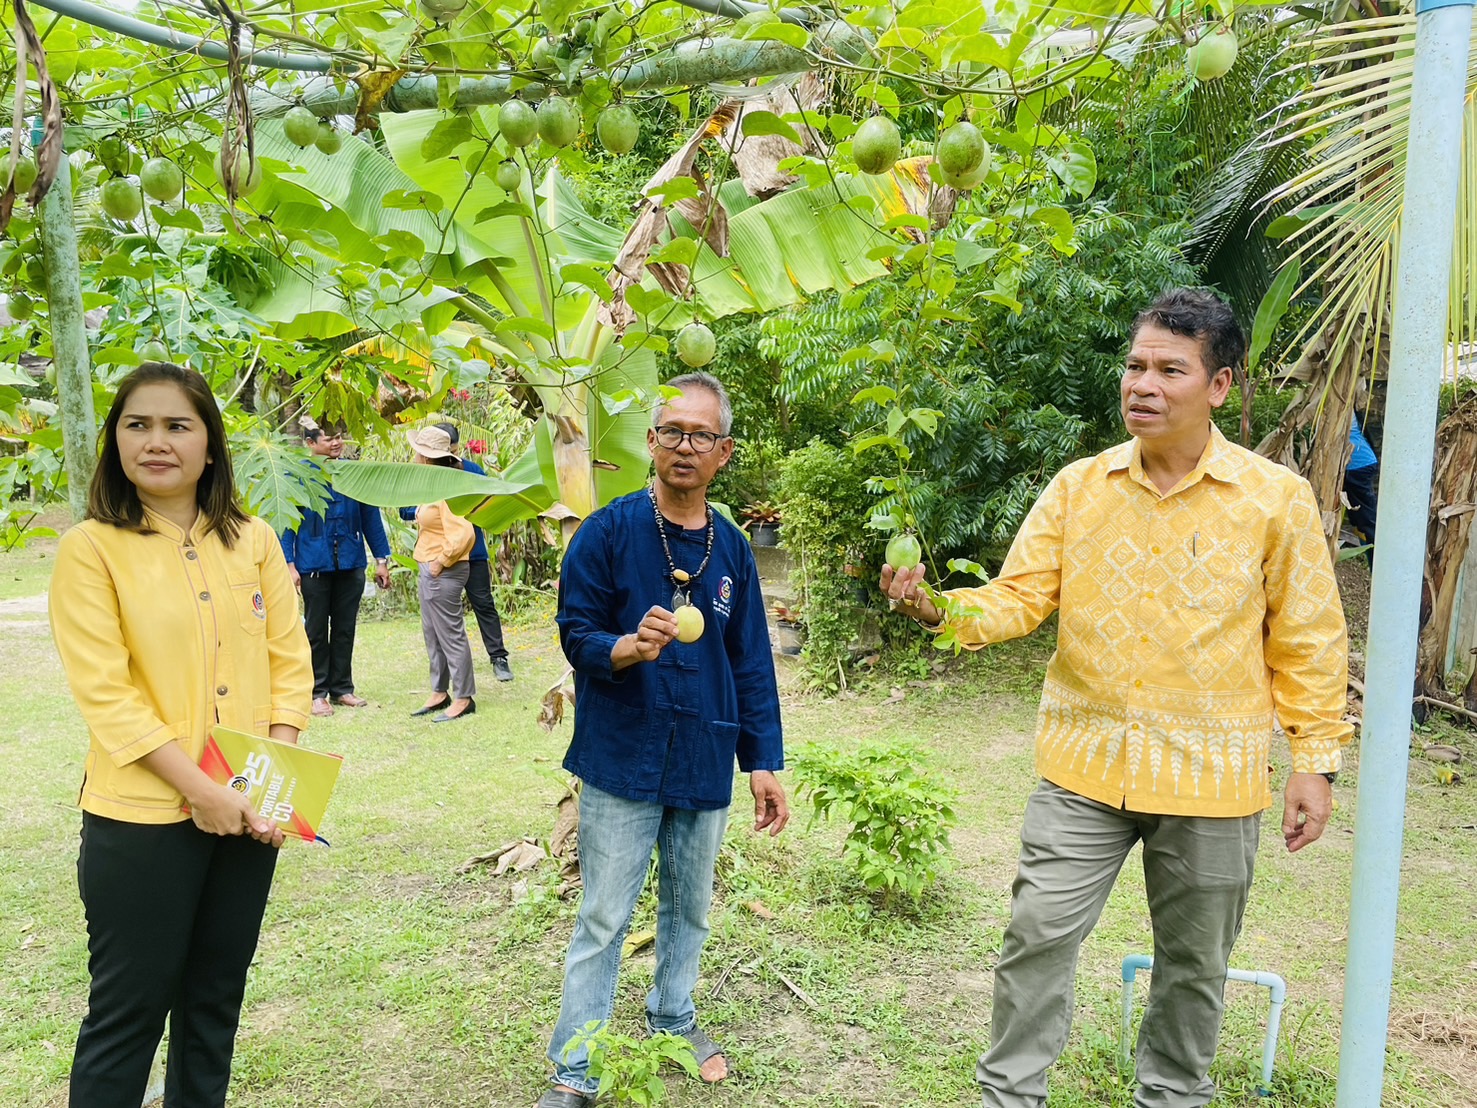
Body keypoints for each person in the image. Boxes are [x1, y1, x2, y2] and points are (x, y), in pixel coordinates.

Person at [881, 289, 1351, 1108]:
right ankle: (1007, 1097)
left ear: (1219, 385)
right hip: (1082, 770)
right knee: (1034, 938)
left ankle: (1170, 1097)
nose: (1143, 383)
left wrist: (1314, 762)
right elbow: (1018, 598)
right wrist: (937, 608)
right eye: (1135, 365)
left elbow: (1307, 639)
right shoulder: (1079, 487)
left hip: (1212, 781)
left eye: (1170, 369)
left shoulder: (1273, 499)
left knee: (1194, 967)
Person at [49, 361, 313, 1108]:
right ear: (115, 442)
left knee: (214, 1005)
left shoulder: (253, 540)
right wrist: (202, 792)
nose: (156, 441)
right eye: (137, 424)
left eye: (176, 425)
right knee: (128, 1015)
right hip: (140, 821)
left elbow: (290, 662)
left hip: (247, 809)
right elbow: (108, 695)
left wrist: (265, 783)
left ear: (209, 443)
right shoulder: (90, 548)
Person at [538, 372, 789, 1108]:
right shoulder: (608, 532)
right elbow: (575, 632)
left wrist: (763, 761)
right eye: (671, 432)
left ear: (724, 452)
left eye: (701, 436)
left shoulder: (733, 550)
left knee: (690, 908)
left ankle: (671, 1018)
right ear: (649, 442)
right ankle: (574, 1069)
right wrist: (625, 648)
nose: (684, 447)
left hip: (705, 751)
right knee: (603, 915)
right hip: (623, 750)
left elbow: (749, 661)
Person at [280, 424, 392, 717]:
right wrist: (289, 565)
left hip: (351, 562)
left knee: (345, 628)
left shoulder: (354, 473)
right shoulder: (298, 475)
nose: (336, 443)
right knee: (315, 630)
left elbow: (371, 517)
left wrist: (381, 559)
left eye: (339, 437)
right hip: (313, 564)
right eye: (329, 439)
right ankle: (317, 692)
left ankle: (342, 688)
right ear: (310, 442)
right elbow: (287, 521)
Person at [403, 422, 513, 682]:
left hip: (471, 552)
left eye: (452, 449)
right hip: (437, 556)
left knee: (483, 604)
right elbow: (405, 509)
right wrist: (426, 513)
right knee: (440, 619)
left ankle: (498, 657)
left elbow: (489, 502)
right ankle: (445, 676)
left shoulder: (471, 471)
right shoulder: (421, 477)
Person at [406, 425, 478, 722]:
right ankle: (440, 691)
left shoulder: (448, 487)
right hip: (431, 565)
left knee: (450, 634)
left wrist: (440, 562)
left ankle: (463, 697)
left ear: (427, 457)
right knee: (433, 634)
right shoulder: (434, 484)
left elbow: (464, 532)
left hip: (443, 569)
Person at [1344, 410, 1379, 566]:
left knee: (1366, 520)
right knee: (1359, 518)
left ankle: (1376, 560)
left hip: (1357, 465)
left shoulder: (1342, 402)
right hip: (1361, 462)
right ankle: (1371, 554)